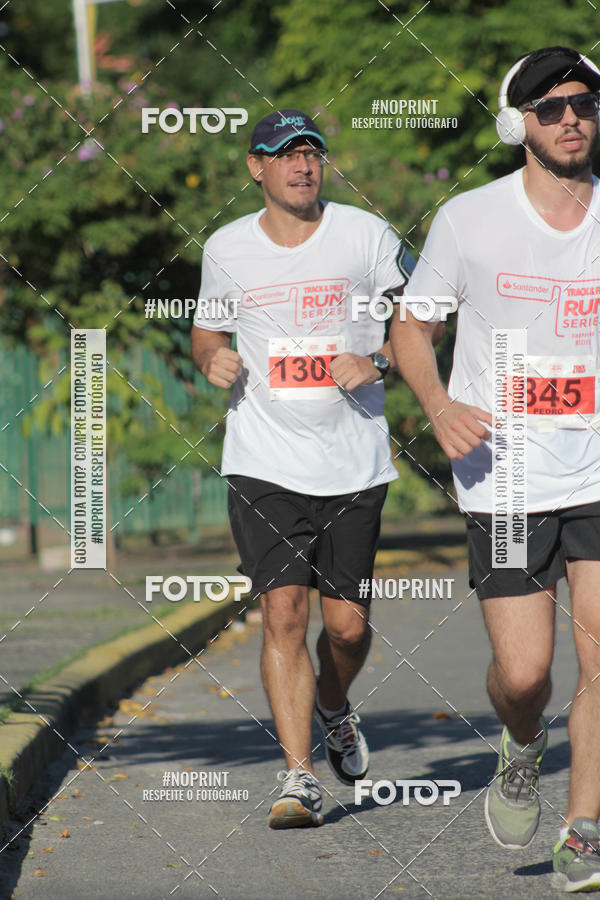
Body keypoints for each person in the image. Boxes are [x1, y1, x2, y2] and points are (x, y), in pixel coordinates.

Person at [391, 47, 600, 892]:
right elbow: (412, 329)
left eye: (584, 102)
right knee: (526, 675)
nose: (571, 118)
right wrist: (439, 408)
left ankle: (584, 829)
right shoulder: (470, 219)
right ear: (519, 126)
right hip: (503, 476)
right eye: (549, 108)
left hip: (596, 468)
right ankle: (522, 741)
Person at [192, 109, 413, 828]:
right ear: (257, 167)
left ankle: (333, 704)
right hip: (263, 458)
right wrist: (210, 358)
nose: (303, 164)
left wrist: (378, 359)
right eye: (285, 154)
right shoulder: (227, 247)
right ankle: (298, 777)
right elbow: (206, 329)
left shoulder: (366, 235)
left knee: (346, 628)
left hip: (353, 460)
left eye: (313, 151)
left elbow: (421, 320)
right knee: (283, 612)